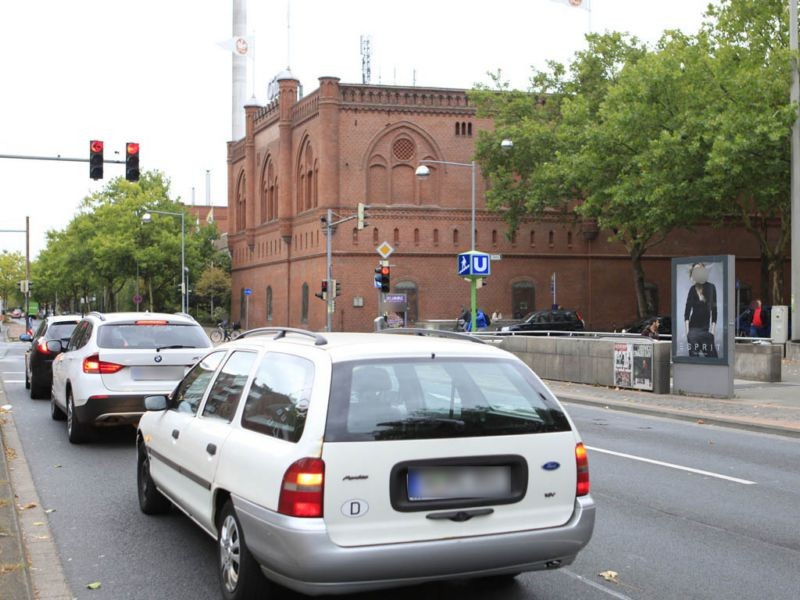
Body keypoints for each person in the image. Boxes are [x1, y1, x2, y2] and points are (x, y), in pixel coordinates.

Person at [683, 262, 718, 357]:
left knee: (713, 360)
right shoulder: (692, 289)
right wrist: (688, 334)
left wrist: (712, 332)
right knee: (694, 360)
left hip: (706, 331)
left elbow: (714, 310)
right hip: (693, 330)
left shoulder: (711, 287)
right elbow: (687, 312)